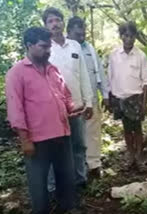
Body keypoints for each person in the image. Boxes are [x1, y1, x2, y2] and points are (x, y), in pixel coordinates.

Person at [5, 27, 82, 214]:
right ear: (29, 45)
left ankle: (68, 207)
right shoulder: (16, 73)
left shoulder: (53, 70)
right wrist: (25, 140)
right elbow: (16, 109)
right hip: (37, 139)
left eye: (49, 47)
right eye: (43, 46)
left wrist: (74, 108)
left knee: (66, 177)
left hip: (62, 133)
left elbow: (65, 96)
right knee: (38, 184)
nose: (48, 51)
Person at [42, 7, 93, 195]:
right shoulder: (45, 48)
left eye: (57, 20)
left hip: (77, 106)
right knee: (55, 149)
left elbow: (84, 76)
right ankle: (55, 187)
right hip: (54, 108)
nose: (55, 24)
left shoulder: (75, 46)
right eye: (50, 21)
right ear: (46, 25)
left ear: (63, 22)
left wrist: (89, 102)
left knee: (79, 145)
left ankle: (80, 179)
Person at [67, 16, 109, 178]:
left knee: (93, 132)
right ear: (69, 32)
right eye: (78, 33)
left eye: (83, 32)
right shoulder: (62, 48)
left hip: (91, 97)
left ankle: (94, 165)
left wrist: (105, 95)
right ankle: (77, 167)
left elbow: (100, 73)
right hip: (71, 102)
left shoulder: (89, 49)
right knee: (74, 135)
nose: (81, 36)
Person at [107, 22, 147, 168]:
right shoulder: (114, 55)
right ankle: (130, 155)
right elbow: (110, 77)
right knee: (126, 129)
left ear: (135, 37)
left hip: (135, 98)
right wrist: (109, 98)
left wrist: (144, 104)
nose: (129, 39)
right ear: (121, 36)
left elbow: (145, 81)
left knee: (137, 129)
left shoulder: (141, 56)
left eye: (132, 36)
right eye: (126, 35)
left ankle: (139, 156)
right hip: (120, 98)